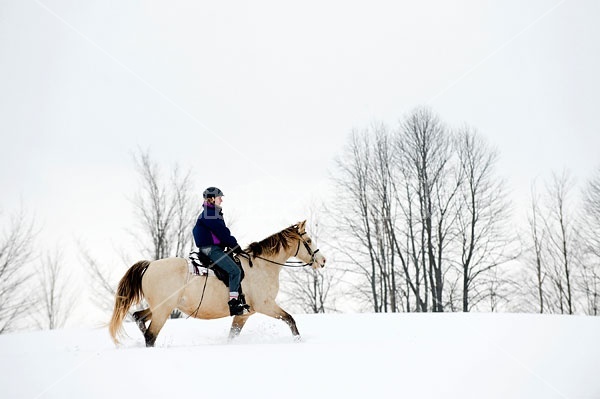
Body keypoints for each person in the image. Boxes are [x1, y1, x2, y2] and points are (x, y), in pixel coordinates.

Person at [192, 187, 249, 316]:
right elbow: (222, 232)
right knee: (235, 271)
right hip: (211, 249)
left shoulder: (211, 213)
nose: (221, 200)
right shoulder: (209, 214)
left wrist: (229, 245)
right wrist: (234, 246)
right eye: (219, 197)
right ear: (212, 199)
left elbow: (218, 235)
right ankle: (234, 303)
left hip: (214, 247)